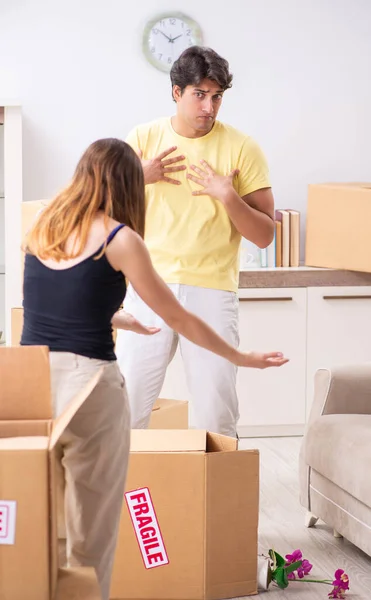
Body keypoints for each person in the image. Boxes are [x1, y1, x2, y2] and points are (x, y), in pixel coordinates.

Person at [21, 138, 287, 599]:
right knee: (92, 531)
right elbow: (179, 319)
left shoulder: (41, 227)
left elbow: (48, 305)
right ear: (128, 184)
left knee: (44, 522)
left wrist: (115, 316)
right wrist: (241, 357)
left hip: (34, 387)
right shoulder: (121, 240)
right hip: (90, 390)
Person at [116, 45, 277, 437]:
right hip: (148, 286)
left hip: (212, 290)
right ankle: (123, 497)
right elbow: (108, 215)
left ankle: (217, 498)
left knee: (216, 414)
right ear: (176, 92)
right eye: (199, 95)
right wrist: (139, 176)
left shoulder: (242, 148)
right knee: (125, 407)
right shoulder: (142, 137)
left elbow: (264, 235)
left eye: (217, 96)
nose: (209, 106)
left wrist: (228, 197)